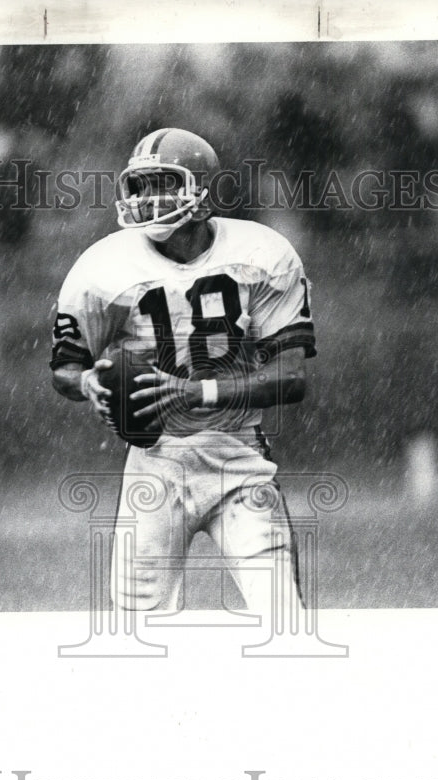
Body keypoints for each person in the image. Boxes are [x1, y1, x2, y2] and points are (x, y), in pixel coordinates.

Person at [50, 128, 316, 617]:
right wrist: (90, 384)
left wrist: (195, 391)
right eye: (141, 186)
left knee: (283, 619)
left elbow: (291, 378)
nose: (149, 200)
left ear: (202, 190)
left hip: (237, 456)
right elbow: (66, 368)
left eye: (163, 184)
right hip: (155, 461)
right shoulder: (104, 266)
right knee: (135, 634)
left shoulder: (263, 254)